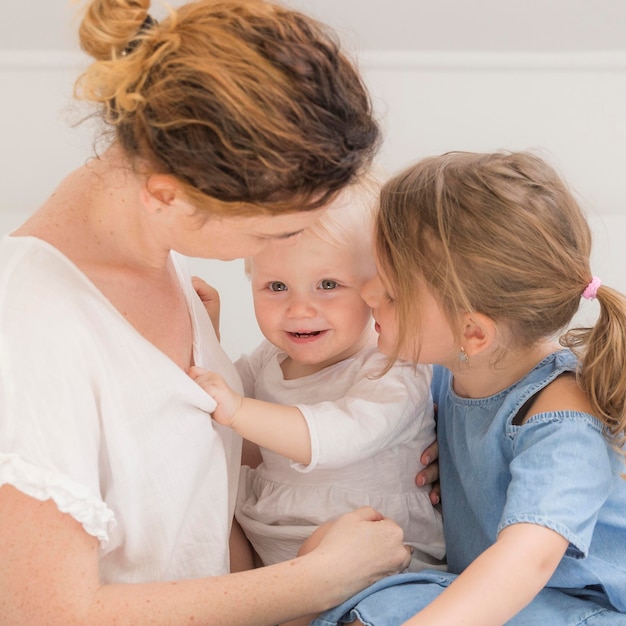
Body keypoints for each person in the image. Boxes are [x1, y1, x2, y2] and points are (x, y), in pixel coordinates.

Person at [0, 1, 414, 623]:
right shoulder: (31, 328)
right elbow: (46, 613)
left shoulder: (162, 261)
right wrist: (318, 578)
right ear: (169, 195)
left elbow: (192, 514)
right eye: (272, 236)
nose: (282, 254)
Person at [312, 151, 626, 626]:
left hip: (580, 608)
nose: (369, 294)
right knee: (365, 599)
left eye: (392, 293)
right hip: (496, 589)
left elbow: (526, 562)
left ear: (473, 334)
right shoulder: (448, 371)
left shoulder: (562, 427)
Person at [189, 178, 445, 574]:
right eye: (276, 286)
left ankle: (290, 609)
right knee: (208, 504)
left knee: (329, 543)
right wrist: (210, 338)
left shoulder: (394, 367)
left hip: (371, 549)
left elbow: (341, 435)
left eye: (328, 285)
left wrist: (238, 409)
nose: (300, 309)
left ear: (379, 285)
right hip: (269, 533)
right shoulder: (269, 358)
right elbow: (220, 409)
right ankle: (253, 605)